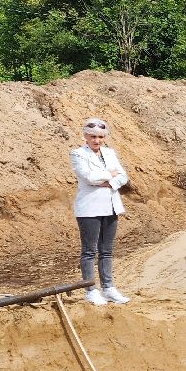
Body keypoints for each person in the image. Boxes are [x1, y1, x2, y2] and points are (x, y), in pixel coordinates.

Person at [71, 118, 130, 306]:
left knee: (107, 250)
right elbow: (88, 177)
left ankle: (108, 287)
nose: (96, 140)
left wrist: (109, 181)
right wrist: (109, 175)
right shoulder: (78, 154)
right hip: (89, 207)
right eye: (93, 136)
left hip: (111, 205)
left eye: (100, 137)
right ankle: (90, 290)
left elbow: (123, 176)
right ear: (86, 136)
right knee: (89, 251)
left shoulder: (110, 153)